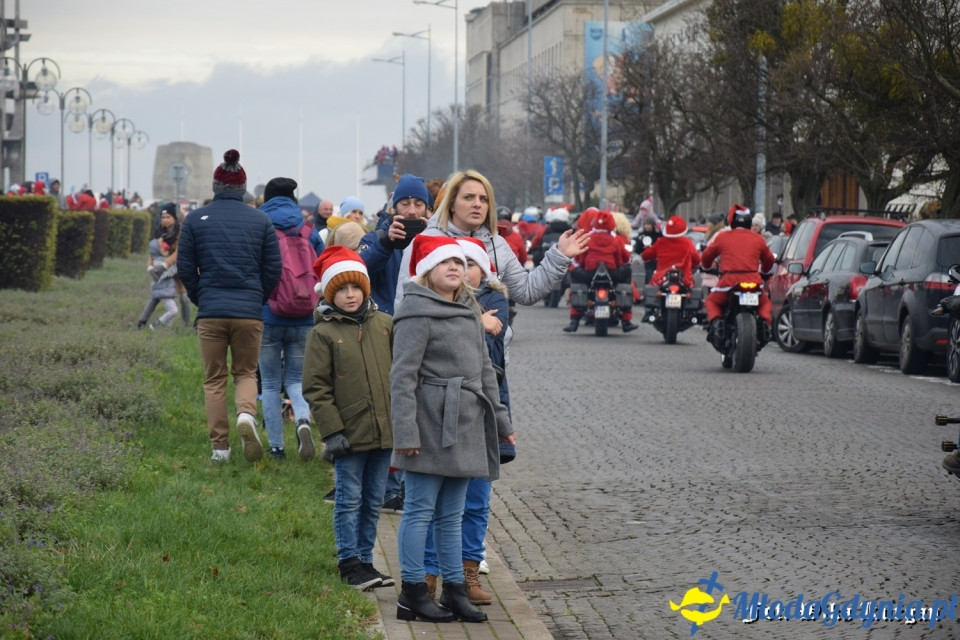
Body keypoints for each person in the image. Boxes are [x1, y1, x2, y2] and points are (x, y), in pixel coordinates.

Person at [391, 234, 515, 624]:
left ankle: (455, 592)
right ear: (427, 270)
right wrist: (406, 432)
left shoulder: (468, 309)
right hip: (428, 423)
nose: (455, 268)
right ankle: (411, 593)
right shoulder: (415, 312)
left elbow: (485, 373)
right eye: (446, 262)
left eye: (461, 263)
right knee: (419, 511)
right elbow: (402, 377)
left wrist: (501, 422)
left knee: (452, 515)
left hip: (466, 425)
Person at [421, 236, 511, 606]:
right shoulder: (433, 304)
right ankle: (428, 574)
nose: (464, 271)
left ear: (483, 270)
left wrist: (504, 423)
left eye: (471, 264)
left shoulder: (495, 302)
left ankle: (469, 571)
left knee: (476, 500)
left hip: (483, 412)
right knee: (433, 503)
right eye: (457, 264)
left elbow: (493, 369)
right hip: (440, 415)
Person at [177, 149, 281, 463]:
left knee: (214, 379)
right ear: (242, 188)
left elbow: (185, 268)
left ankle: (220, 448)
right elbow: (273, 269)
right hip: (249, 312)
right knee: (247, 372)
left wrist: (200, 297)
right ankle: (246, 415)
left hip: (211, 311)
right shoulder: (261, 220)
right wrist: (257, 297)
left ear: (215, 187)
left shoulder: (195, 220)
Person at [302, 245, 395, 591]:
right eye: (342, 289)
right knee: (349, 499)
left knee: (374, 500)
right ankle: (348, 562)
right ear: (330, 293)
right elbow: (316, 387)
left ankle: (366, 560)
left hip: (385, 432)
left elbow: (399, 376)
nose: (351, 295)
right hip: (348, 434)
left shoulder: (385, 325)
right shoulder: (323, 334)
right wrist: (332, 431)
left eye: (356, 287)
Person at [394, 169, 588, 310]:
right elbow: (405, 305)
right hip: (439, 360)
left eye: (483, 199)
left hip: (491, 360)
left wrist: (559, 256)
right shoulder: (425, 242)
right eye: (469, 197)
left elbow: (527, 292)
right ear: (452, 204)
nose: (477, 204)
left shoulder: (497, 244)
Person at [258, 176, 321, 462]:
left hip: (269, 314)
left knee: (270, 383)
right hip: (304, 315)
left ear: (266, 199)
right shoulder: (309, 230)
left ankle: (276, 448)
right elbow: (322, 267)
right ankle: (303, 420)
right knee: (296, 379)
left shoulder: (260, 225)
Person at [700, 204, 775, 345]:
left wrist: (705, 266)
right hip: (753, 280)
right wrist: (764, 272)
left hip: (729, 281)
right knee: (764, 303)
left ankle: (717, 324)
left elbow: (707, 255)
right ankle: (765, 324)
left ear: (731, 220)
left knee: (711, 301)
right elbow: (769, 259)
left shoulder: (723, 237)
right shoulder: (758, 239)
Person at [564, 209, 638, 333]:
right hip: (611, 273)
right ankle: (626, 319)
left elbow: (580, 258)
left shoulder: (588, 238)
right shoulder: (616, 240)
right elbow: (623, 259)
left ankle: (574, 320)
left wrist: (579, 266)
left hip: (590, 272)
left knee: (576, 280)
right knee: (627, 275)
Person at [137, 203, 182, 329]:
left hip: (177, 271)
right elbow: (153, 252)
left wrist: (165, 264)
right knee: (155, 297)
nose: (165, 220)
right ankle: (143, 323)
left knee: (184, 298)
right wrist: (150, 265)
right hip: (161, 271)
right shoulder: (159, 232)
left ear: (174, 218)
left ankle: (187, 324)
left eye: (168, 217)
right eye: (163, 217)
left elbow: (179, 252)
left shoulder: (180, 232)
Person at [641, 215, 701, 288]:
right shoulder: (688, 243)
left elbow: (645, 256)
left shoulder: (661, 242)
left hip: (662, 278)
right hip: (684, 279)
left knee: (651, 293)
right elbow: (697, 260)